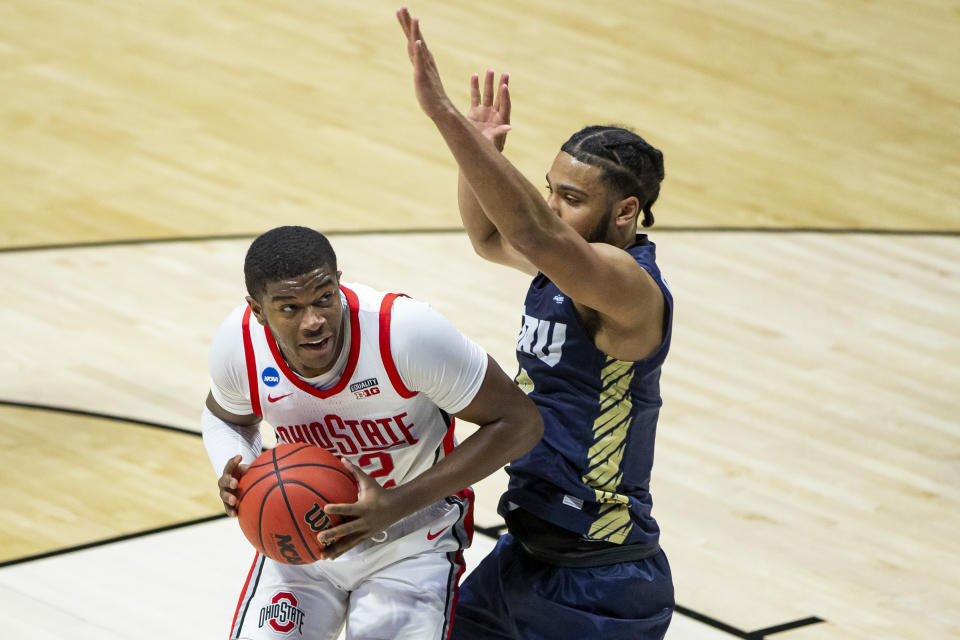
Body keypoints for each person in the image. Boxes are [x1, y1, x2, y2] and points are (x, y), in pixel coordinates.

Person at [397, 7, 675, 639]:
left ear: (627, 210)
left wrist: (444, 118)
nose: (553, 207)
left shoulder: (628, 288)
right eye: (551, 189)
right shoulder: (566, 268)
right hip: (524, 556)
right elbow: (490, 234)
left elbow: (532, 231)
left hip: (601, 578)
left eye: (571, 199)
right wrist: (482, 155)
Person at [201, 225, 543, 640]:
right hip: (302, 539)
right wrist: (237, 472)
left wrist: (394, 505)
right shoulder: (239, 344)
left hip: (411, 539)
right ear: (257, 310)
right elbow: (226, 417)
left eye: (324, 298)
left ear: (339, 284)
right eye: (289, 308)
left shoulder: (405, 334)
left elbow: (519, 422)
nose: (313, 321)